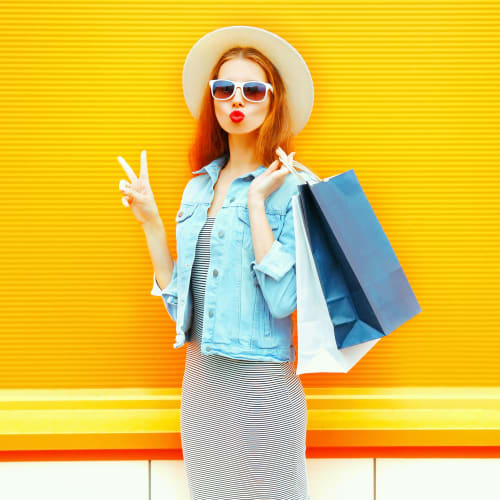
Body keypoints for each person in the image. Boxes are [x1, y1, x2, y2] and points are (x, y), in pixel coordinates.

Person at [117, 25, 313, 500]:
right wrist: (150, 222)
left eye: (253, 88)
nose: (236, 99)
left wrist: (255, 203)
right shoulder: (198, 187)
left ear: (273, 100)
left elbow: (284, 300)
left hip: (262, 385)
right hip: (202, 385)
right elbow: (180, 308)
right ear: (213, 100)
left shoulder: (295, 186)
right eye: (224, 88)